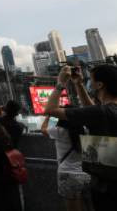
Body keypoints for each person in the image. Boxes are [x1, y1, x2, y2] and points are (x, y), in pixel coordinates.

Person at [45, 64, 117, 211]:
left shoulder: (102, 112)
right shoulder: (108, 110)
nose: (89, 83)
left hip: (107, 185)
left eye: (90, 80)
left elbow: (50, 109)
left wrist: (60, 83)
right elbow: (93, 111)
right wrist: (79, 84)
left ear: (99, 85)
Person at [41, 113, 92, 211]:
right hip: (85, 173)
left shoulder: (59, 131)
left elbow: (43, 129)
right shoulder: (85, 130)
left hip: (67, 174)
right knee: (85, 205)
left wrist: (48, 117)